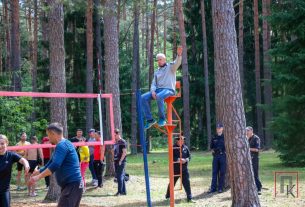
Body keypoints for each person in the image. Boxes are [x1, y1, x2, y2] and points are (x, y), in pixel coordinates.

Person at [28, 123, 83, 207]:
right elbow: (51, 163)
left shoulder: (62, 145)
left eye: (48, 135)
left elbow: (55, 165)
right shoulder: (62, 144)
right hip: (71, 185)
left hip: (72, 185)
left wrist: (37, 177)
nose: (48, 138)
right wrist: (38, 172)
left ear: (53, 134)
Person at [141, 46, 183, 129]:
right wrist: (152, 91)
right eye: (158, 60)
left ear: (164, 60)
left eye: (160, 59)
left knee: (159, 96)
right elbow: (153, 84)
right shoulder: (157, 72)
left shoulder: (170, 67)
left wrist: (179, 55)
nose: (159, 61)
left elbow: (177, 63)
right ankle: (150, 120)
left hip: (169, 89)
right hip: (157, 90)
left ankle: (162, 119)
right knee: (143, 98)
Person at [0, 134, 30, 207]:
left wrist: (26, 165)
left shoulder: (10, 155)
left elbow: (23, 160)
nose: (0, 146)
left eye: (2, 143)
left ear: (7, 143)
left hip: (4, 190)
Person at [165, 136, 194, 203]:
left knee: (187, 183)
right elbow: (171, 157)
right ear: (177, 141)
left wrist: (186, 160)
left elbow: (189, 156)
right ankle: (168, 196)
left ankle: (189, 198)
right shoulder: (173, 147)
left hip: (184, 169)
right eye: (181, 140)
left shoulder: (185, 147)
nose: (182, 141)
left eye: (183, 140)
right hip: (175, 169)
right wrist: (178, 159)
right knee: (172, 183)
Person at [209, 122, 226, 193]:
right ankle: (213, 188)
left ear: (222, 129)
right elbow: (211, 147)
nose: (218, 129)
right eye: (217, 128)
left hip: (222, 156)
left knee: (222, 172)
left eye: (219, 128)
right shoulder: (214, 137)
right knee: (214, 172)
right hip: (215, 156)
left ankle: (220, 188)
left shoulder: (225, 137)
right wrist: (212, 150)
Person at [246, 126, 262, 195]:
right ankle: (252, 188)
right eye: (246, 131)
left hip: (254, 158)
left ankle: (259, 188)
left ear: (251, 131)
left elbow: (257, 149)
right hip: (247, 158)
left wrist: (248, 148)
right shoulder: (246, 138)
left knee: (255, 174)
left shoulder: (256, 138)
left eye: (248, 131)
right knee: (248, 173)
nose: (246, 132)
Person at [113, 128, 127, 196]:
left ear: (118, 134)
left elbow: (124, 152)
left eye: (114, 135)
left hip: (121, 161)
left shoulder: (122, 142)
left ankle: (119, 192)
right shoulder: (116, 142)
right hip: (116, 161)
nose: (114, 136)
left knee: (119, 176)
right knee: (121, 176)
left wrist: (121, 161)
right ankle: (123, 191)